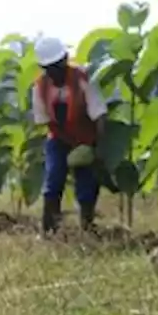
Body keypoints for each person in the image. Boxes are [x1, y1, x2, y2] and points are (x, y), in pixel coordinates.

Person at [32, 36, 108, 233]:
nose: (55, 72)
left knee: (87, 183)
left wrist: (98, 146)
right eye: (50, 68)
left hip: (86, 139)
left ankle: (87, 226)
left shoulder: (82, 78)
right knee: (53, 178)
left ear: (65, 59)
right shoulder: (40, 87)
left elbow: (99, 113)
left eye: (58, 65)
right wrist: (65, 141)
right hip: (59, 138)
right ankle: (49, 229)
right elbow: (44, 120)